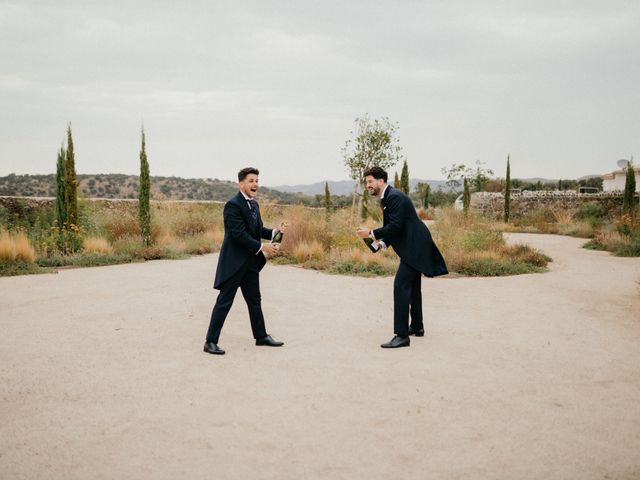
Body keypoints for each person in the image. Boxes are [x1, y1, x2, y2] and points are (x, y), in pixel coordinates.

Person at [356, 166, 448, 348]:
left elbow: (396, 227)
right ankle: (417, 326)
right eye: (366, 182)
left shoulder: (394, 197)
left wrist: (371, 232)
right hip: (414, 245)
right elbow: (393, 226)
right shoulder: (387, 198)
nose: (367, 185)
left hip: (415, 245)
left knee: (400, 286)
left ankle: (401, 335)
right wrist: (381, 243)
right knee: (412, 287)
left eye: (370, 181)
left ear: (381, 181)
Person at [203, 167, 287, 355]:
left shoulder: (254, 205)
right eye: (251, 181)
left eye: (257, 180)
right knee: (224, 302)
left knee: (255, 300)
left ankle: (261, 336)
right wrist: (263, 247)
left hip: (250, 263)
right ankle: (210, 342)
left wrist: (275, 232)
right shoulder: (232, 205)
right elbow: (238, 234)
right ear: (241, 184)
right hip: (234, 264)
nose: (255, 184)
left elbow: (257, 230)